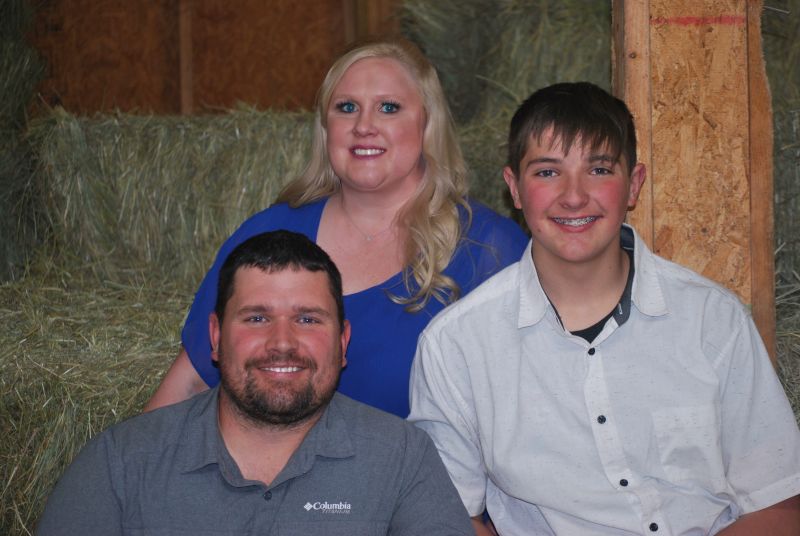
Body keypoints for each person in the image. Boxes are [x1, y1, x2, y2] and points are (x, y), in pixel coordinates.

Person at [408, 82, 800, 535]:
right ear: (514, 188)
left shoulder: (712, 319)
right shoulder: (456, 345)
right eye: (548, 172)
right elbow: (450, 518)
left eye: (598, 169)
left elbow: (780, 504)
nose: (574, 196)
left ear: (633, 184)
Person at [145, 38, 528, 417]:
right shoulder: (268, 232)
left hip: (416, 460)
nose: (364, 126)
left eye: (389, 108)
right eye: (346, 107)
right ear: (326, 127)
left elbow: (522, 409)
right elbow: (191, 383)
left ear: (427, 124)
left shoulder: (491, 250)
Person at [38, 230, 474, 535]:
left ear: (343, 342)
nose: (282, 343)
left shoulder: (402, 458)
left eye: (308, 319)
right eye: (257, 318)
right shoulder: (120, 463)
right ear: (215, 337)